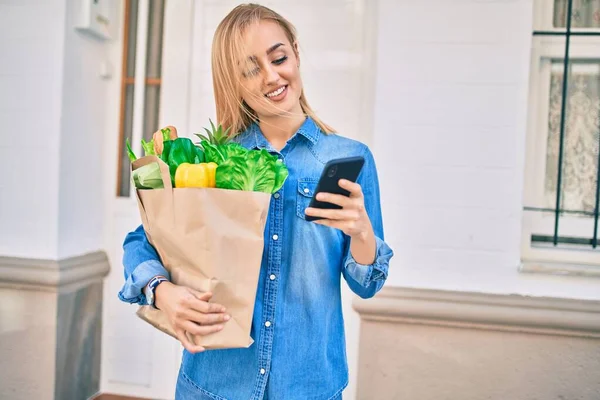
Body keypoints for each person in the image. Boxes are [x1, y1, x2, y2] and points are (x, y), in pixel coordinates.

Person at [118, 3, 394, 399]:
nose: (271, 76)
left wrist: (363, 233)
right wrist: (161, 291)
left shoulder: (349, 159)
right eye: (250, 69)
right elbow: (140, 240)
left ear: (296, 53)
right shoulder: (213, 160)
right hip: (212, 385)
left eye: (278, 57)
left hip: (308, 387)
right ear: (235, 83)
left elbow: (365, 284)